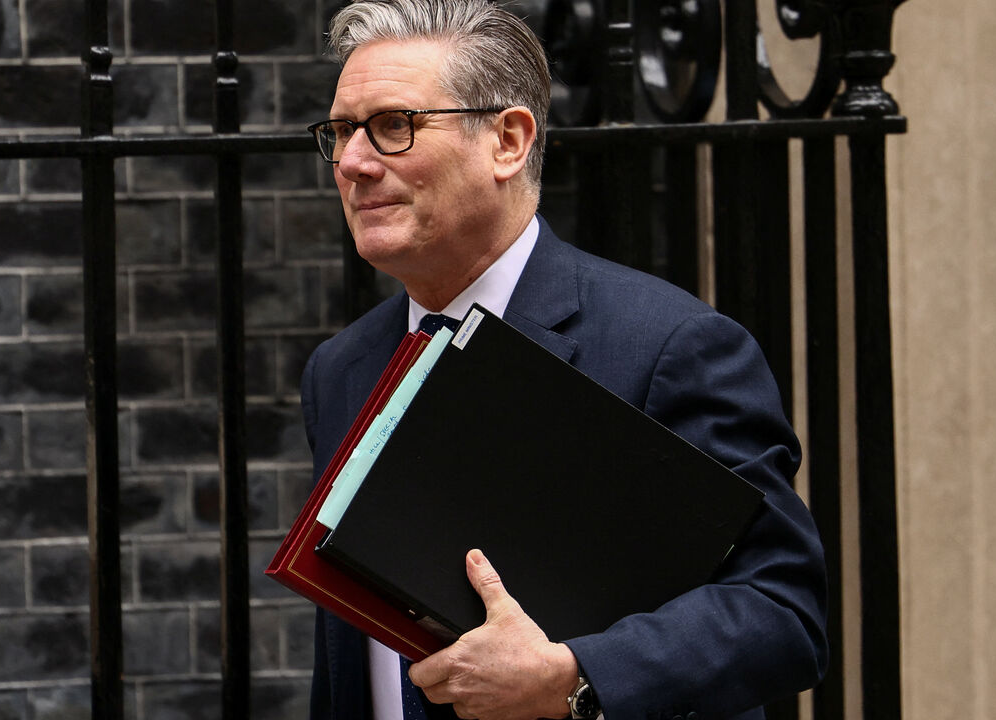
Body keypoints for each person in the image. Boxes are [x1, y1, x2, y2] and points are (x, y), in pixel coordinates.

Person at [298, 1, 828, 718]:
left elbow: (781, 610)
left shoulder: (669, 345)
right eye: (341, 132)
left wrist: (574, 676)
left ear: (509, 141)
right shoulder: (342, 368)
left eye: (395, 126)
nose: (354, 163)